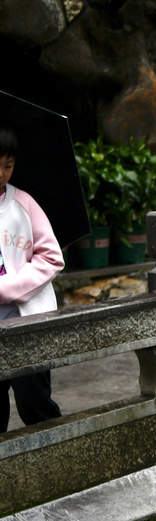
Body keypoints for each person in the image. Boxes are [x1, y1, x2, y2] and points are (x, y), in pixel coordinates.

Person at [0, 125, 64, 432]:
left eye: (8, 166)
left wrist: (8, 289)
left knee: (34, 401)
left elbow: (51, 257)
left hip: (27, 323)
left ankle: (56, 458)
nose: (1, 173)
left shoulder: (24, 204)